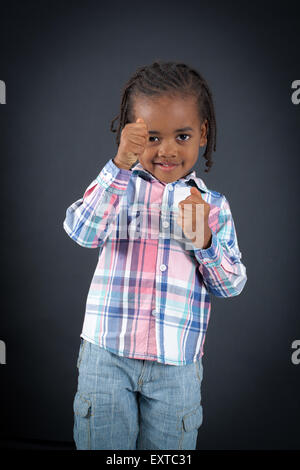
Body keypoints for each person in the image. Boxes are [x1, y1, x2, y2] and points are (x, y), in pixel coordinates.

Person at [63, 60, 247, 450]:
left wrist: (205, 241)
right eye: (152, 137)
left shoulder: (213, 206)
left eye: (182, 136)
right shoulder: (119, 188)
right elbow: (81, 231)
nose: (166, 150)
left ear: (202, 133)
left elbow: (231, 285)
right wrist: (118, 166)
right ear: (130, 136)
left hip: (177, 368)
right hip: (106, 357)